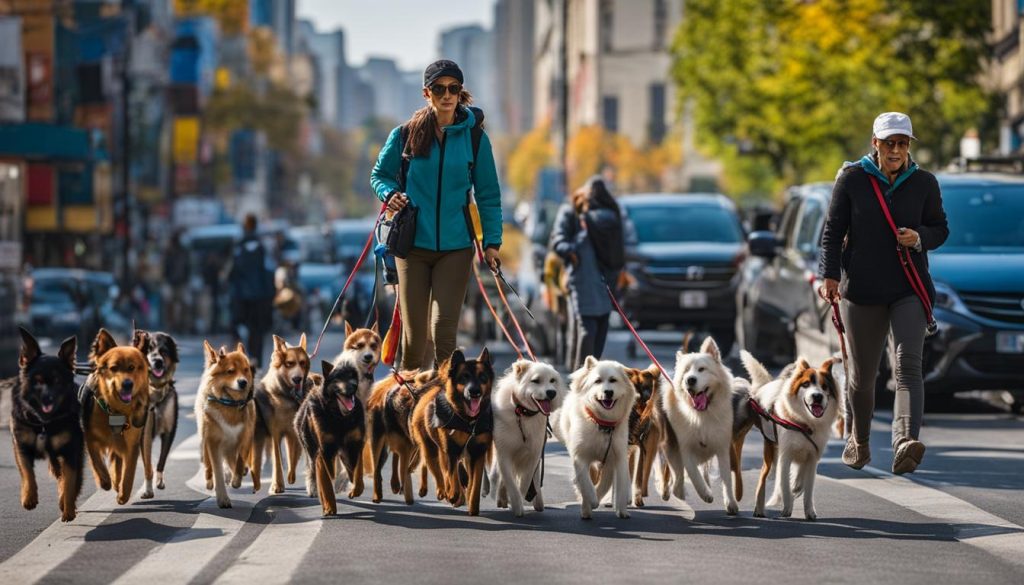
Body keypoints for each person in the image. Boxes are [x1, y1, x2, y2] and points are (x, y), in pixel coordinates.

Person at [818, 112, 948, 475]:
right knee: (862, 375)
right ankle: (859, 440)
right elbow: (832, 231)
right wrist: (829, 276)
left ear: (909, 146)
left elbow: (941, 229)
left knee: (908, 366)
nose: (896, 150)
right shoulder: (852, 180)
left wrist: (919, 237)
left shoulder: (924, 182)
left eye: (902, 143)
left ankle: (905, 440)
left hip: (909, 288)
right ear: (875, 144)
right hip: (861, 290)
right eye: (889, 143)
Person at [370, 59, 502, 370]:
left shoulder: (475, 139)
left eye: (453, 89)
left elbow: (488, 194)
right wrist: (390, 195)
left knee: (443, 334)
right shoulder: (404, 135)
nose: (447, 95)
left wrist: (492, 242)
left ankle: (445, 411)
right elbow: (380, 174)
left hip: (455, 249)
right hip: (412, 246)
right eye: (439, 89)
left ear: (460, 93)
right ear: (427, 93)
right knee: (414, 341)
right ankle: (408, 410)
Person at [549, 176, 625, 369]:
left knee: (590, 330)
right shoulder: (576, 215)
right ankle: (579, 378)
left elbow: (558, 240)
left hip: (595, 281)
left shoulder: (602, 219)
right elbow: (558, 241)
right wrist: (571, 251)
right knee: (589, 330)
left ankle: (579, 377)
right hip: (590, 282)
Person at [228, 214, 275, 369]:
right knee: (257, 331)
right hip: (260, 296)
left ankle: (239, 361)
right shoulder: (263, 247)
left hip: (241, 297)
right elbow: (269, 271)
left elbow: (232, 273)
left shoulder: (238, 247)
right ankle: (256, 361)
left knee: (239, 329)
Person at [162, 229, 191, 332]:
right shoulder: (169, 252)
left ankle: (182, 325)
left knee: (184, 304)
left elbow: (188, 267)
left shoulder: (184, 252)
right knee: (169, 304)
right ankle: (171, 325)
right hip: (171, 282)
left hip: (181, 282)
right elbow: (166, 267)